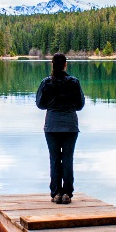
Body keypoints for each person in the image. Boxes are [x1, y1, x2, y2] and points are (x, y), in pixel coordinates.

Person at [36, 53, 85, 204]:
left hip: (52, 126)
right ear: (65, 65)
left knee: (55, 159)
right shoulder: (74, 82)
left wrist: (52, 106)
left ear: (52, 65)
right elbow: (80, 105)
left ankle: (56, 192)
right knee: (68, 159)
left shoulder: (46, 83)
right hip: (70, 126)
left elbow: (40, 104)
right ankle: (67, 194)